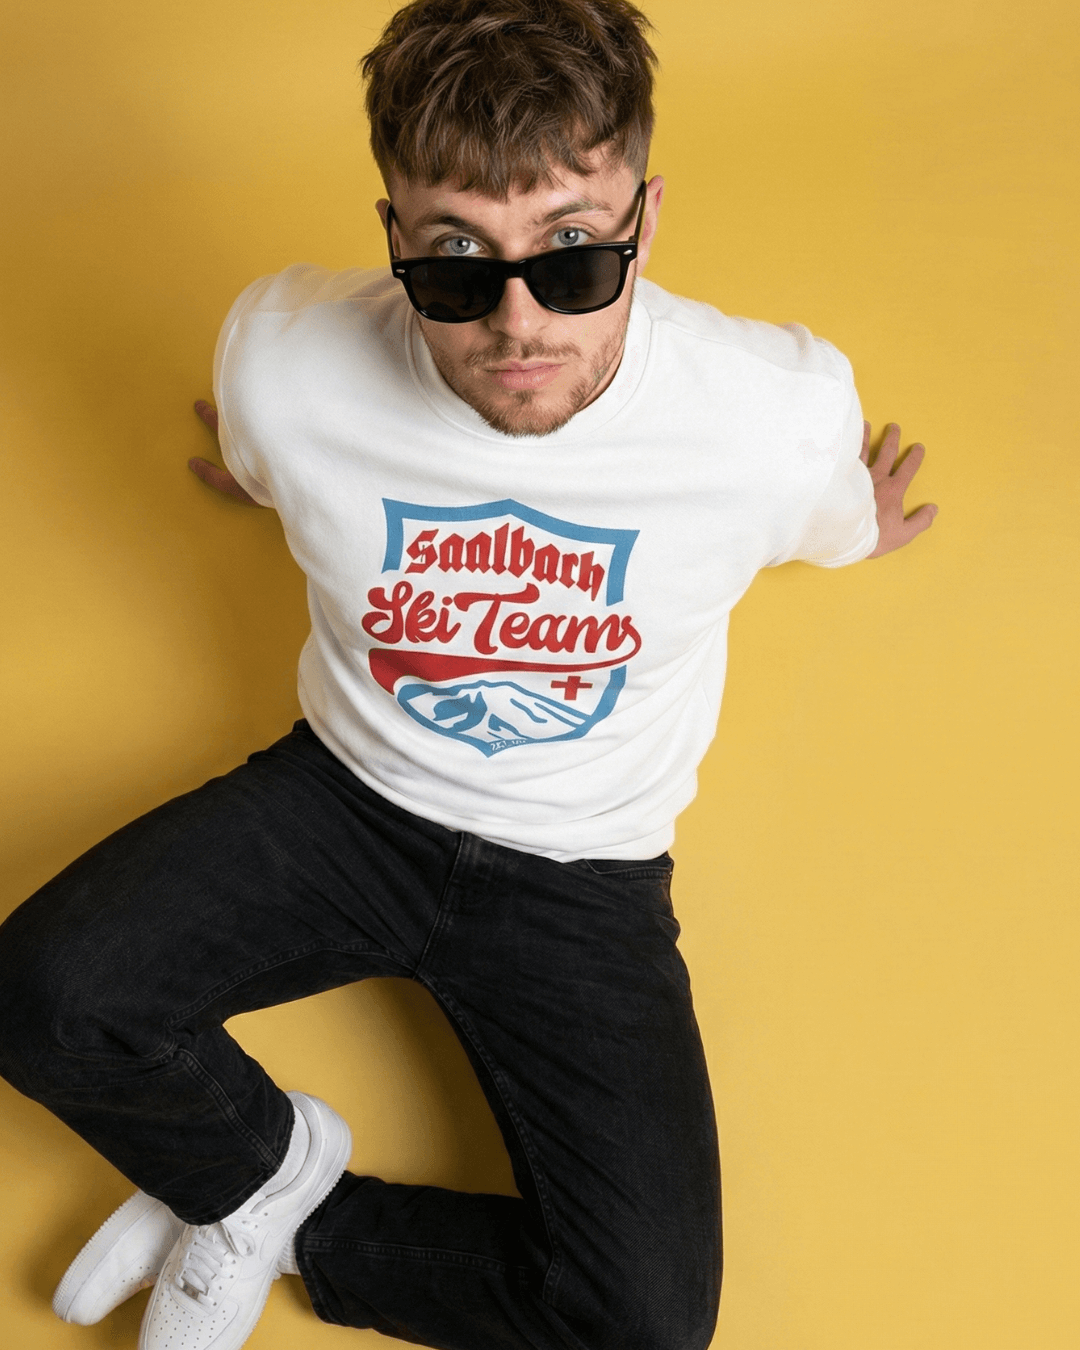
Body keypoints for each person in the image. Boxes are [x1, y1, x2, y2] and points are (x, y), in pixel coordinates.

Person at [0, 2, 937, 1349]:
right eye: (454, 262)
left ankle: (251, 1201)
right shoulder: (284, 368)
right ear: (394, 236)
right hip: (346, 801)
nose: (516, 325)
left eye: (570, 255)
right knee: (41, 996)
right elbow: (273, 445)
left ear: (645, 222)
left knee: (643, 1322)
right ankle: (256, 1163)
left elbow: (825, 507)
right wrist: (276, 457)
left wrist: (861, 520)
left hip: (583, 865)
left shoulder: (769, 423)